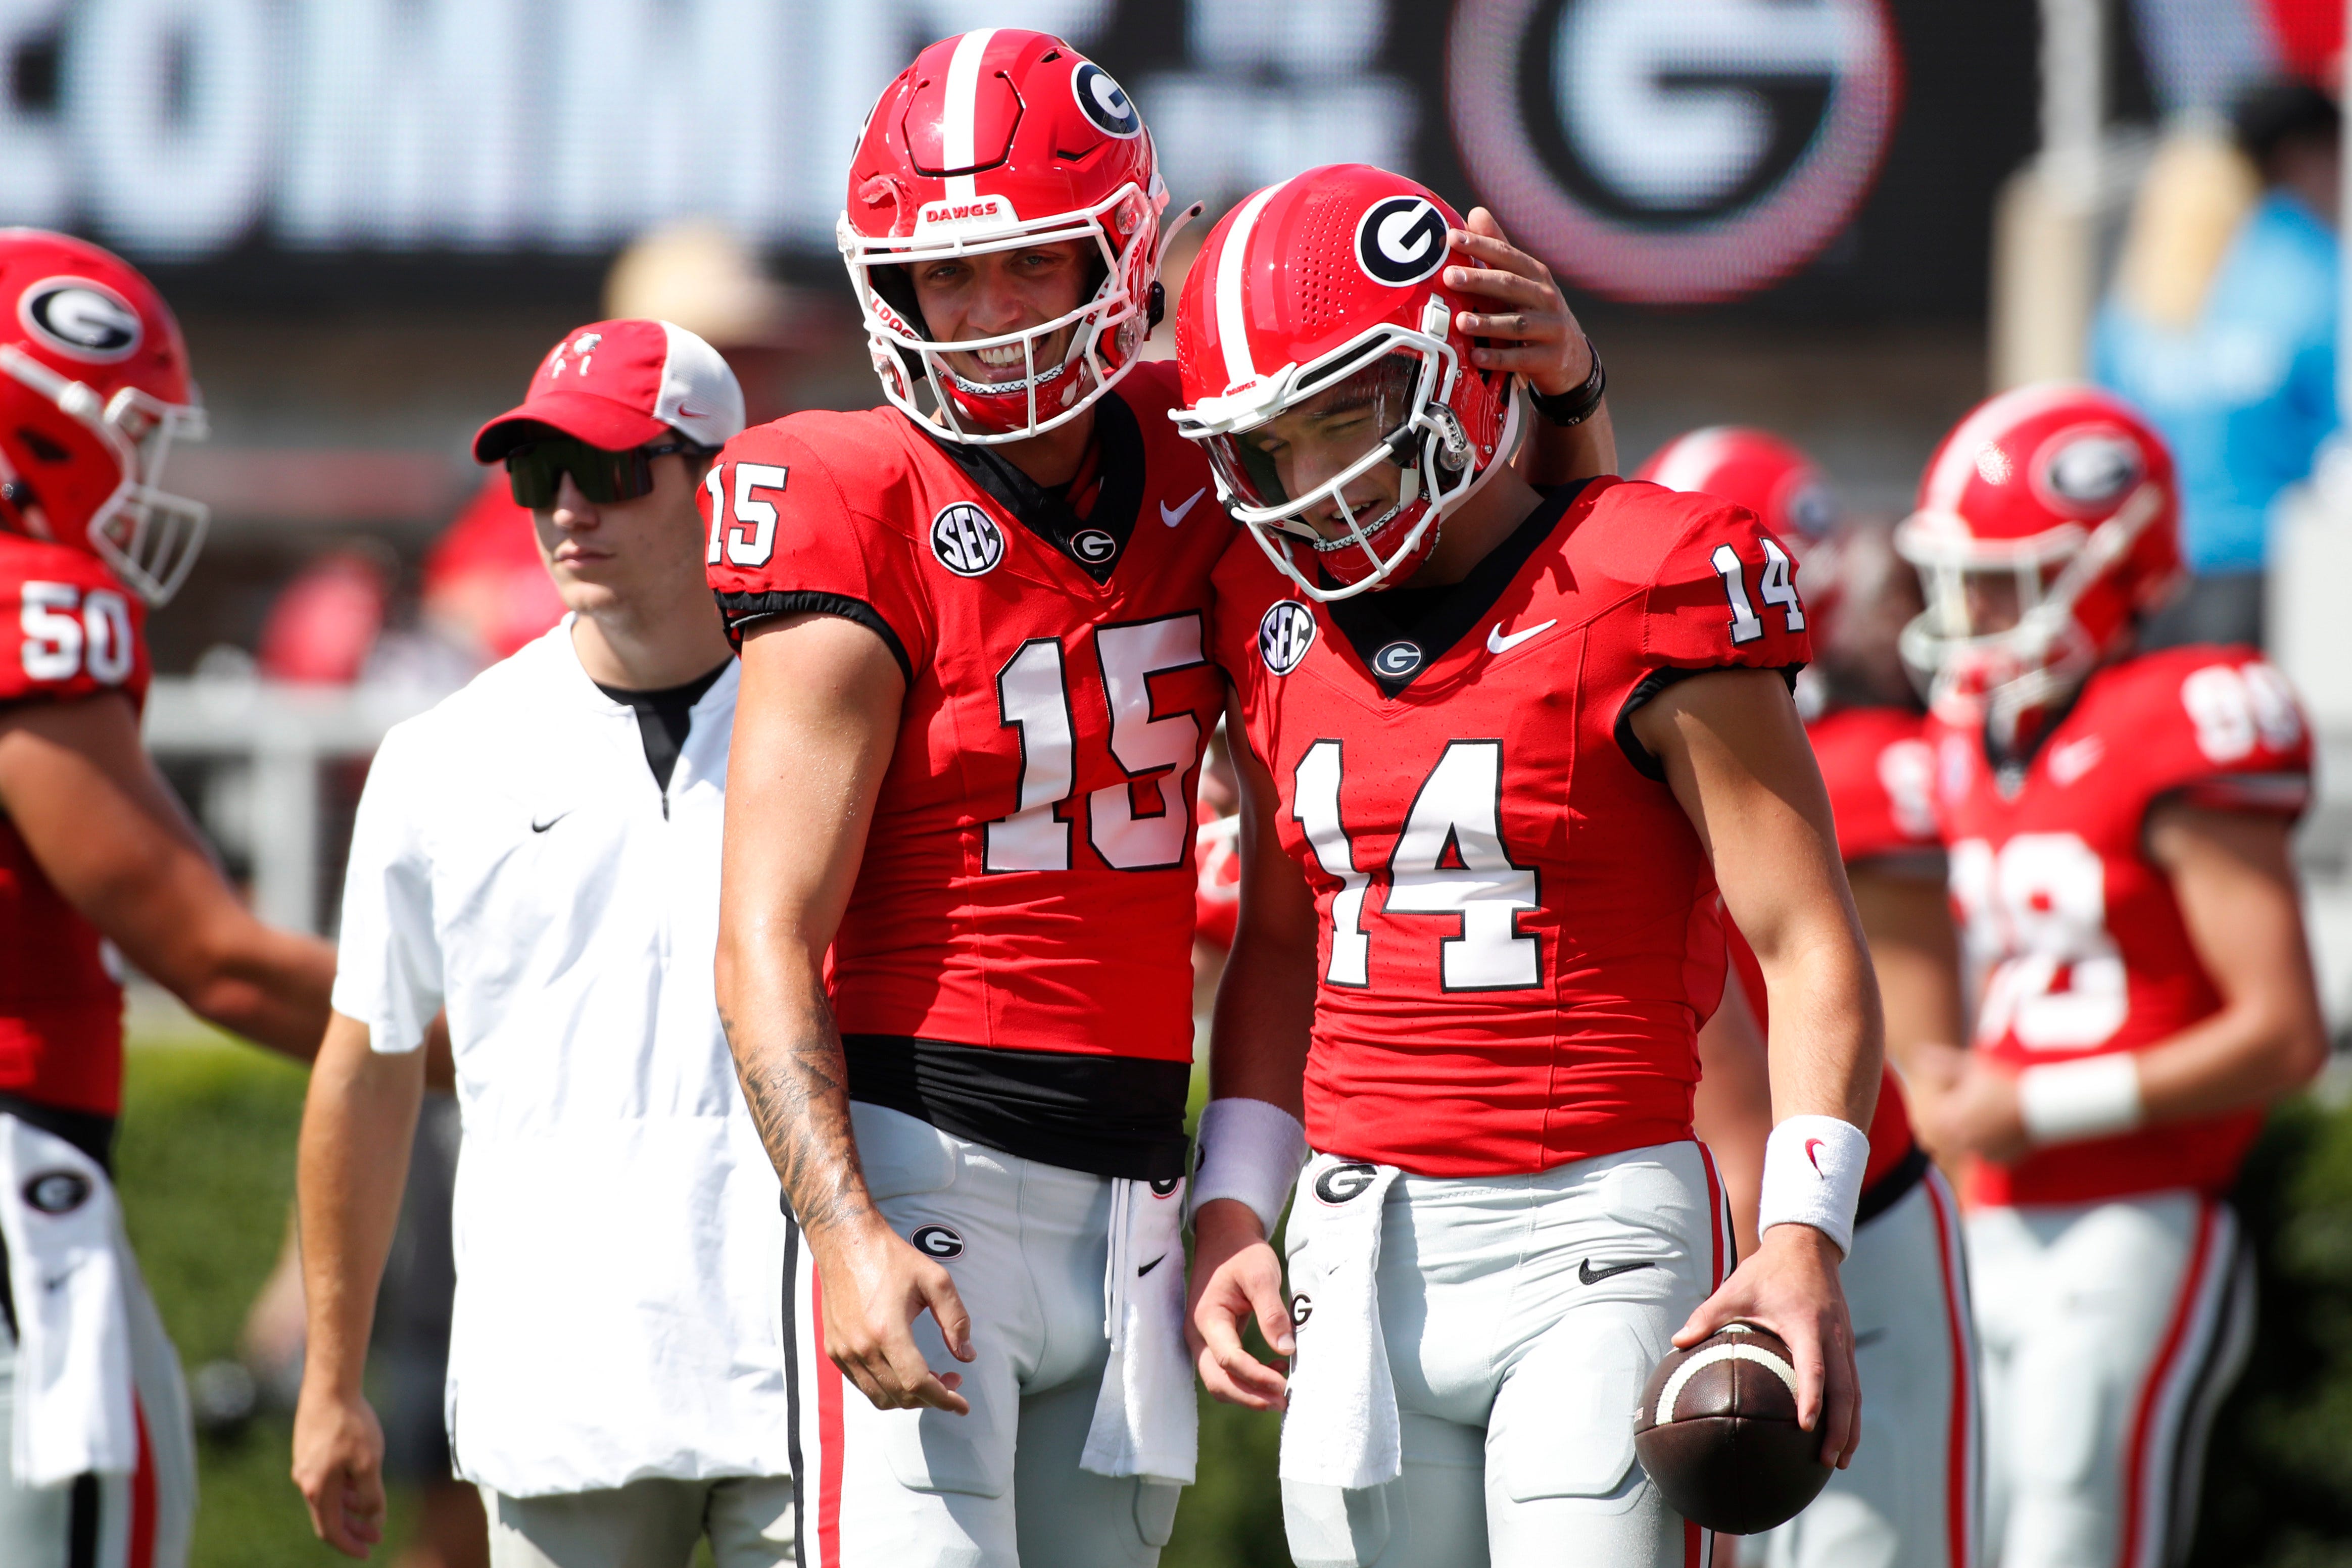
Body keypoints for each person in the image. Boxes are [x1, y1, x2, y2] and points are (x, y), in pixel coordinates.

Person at [703, 32, 1609, 1568]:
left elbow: (1551, 620)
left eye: (1027, 264)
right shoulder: (850, 488)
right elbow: (761, 931)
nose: (981, 319)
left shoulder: (1222, 460)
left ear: (1118, 251)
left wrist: (1570, 390)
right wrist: (840, 1224)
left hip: (1138, 1186)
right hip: (922, 1157)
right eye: (945, 279)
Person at [1176, 166, 1883, 1568]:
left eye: (1349, 415)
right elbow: (1276, 945)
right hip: (1349, 1238)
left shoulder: (1648, 575)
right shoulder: (1258, 612)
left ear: (1462, 372)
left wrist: (1803, 1232)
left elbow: (1805, 940)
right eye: (1274, 445)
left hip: (1592, 1225)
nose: (1316, 482)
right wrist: (1228, 1200)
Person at [291, 318, 799, 1567]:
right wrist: (328, 1375)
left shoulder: (836, 709)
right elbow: (366, 1066)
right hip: (559, 1393)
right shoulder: (439, 758)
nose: (568, 507)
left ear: (717, 476)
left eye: (614, 469)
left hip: (811, 1380)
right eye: (537, 474)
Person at [1893, 383, 2328, 1568]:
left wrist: (2035, 1104)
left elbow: (2285, 1034)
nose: (1974, 608)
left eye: (2009, 574)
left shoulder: (2182, 716)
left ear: (2119, 565)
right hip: (1989, 1212)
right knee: (1957, 1529)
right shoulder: (1961, 733)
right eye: (1963, 574)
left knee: (2070, 1518)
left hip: (2139, 1206)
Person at [0, 230, 343, 1568]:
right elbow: (216, 961)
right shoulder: (35, 599)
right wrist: (483, 1032)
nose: (142, 477)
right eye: (129, 434)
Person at [1645, 429, 1979, 1568]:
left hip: (1830, 1213)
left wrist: (1776, 1251)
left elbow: (1873, 1051)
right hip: (1690, 1216)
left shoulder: (1852, 760)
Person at [2093, 78, 2342, 649]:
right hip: (2267, 566)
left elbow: (2108, 428)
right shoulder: (2309, 267)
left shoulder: (2134, 294)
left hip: (2158, 577)